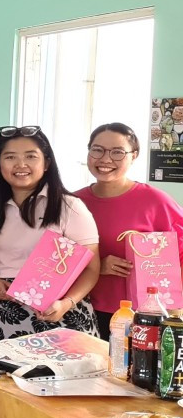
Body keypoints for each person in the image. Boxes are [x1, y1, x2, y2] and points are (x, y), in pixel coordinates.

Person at [0, 126, 100, 350]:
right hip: (1, 314)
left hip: (59, 314)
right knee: (0, 373)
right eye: (10, 157)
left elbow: (91, 268)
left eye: (31, 156)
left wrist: (66, 303)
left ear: (47, 163)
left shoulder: (69, 206)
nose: (20, 164)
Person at [74, 123, 183, 338]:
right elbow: (56, 259)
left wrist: (176, 309)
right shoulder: (72, 202)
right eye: (97, 150)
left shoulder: (155, 201)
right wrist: (96, 266)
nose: (105, 159)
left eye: (117, 152)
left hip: (143, 315)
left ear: (134, 155)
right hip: (81, 310)